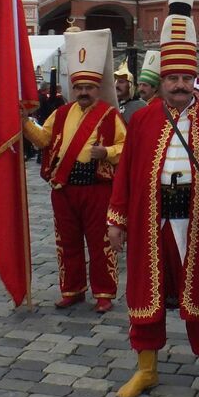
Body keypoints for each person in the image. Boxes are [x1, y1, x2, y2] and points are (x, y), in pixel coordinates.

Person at [108, 0, 199, 397]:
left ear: (194, 79)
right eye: (172, 79)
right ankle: (146, 369)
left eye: (186, 79)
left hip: (196, 224)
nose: (180, 85)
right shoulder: (144, 119)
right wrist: (116, 220)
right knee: (145, 292)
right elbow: (126, 174)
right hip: (152, 220)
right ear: (162, 81)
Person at [23, 28, 125, 313]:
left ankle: (104, 293)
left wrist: (106, 152)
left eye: (88, 88)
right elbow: (44, 139)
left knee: (99, 242)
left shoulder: (110, 114)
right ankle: (72, 289)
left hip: (96, 188)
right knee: (66, 242)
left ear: (97, 88)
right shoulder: (62, 113)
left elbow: (126, 148)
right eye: (79, 87)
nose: (83, 92)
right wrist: (24, 123)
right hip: (65, 188)